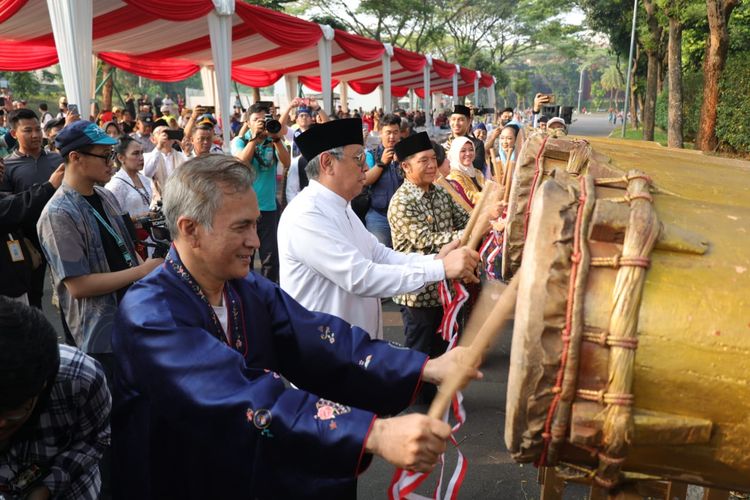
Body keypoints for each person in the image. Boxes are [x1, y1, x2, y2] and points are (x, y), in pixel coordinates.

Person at [111, 153, 480, 499]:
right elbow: (237, 395)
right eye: (241, 227)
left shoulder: (247, 288)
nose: (255, 242)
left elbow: (323, 340)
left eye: (255, 224)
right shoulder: (150, 313)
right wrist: (374, 433)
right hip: (182, 479)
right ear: (190, 229)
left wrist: (425, 367)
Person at [278, 118, 479, 339]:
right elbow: (360, 276)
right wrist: (440, 269)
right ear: (327, 163)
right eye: (358, 158)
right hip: (326, 348)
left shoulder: (341, 207)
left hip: (355, 347)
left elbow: (379, 255)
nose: (366, 167)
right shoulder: (307, 215)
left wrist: (436, 262)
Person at [37, 121, 162, 375]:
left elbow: (127, 249)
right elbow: (79, 286)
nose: (112, 163)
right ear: (75, 157)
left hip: (133, 319)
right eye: (106, 156)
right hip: (100, 338)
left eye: (113, 155)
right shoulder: (58, 213)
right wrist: (143, 271)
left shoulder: (105, 196)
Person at [388, 132, 475, 401]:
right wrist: (463, 236)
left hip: (444, 289)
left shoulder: (441, 191)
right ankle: (413, 401)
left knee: (442, 344)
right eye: (423, 161)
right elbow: (425, 240)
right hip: (417, 290)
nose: (431, 166)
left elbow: (466, 219)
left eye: (433, 160)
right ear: (405, 166)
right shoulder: (402, 202)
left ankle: (436, 395)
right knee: (419, 348)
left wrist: (482, 220)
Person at [0, 298, 111, 500]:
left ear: (43, 387)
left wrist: (48, 487)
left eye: (12, 415)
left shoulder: (81, 381)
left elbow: (94, 439)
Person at [0, 109, 64, 309]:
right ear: (14, 134)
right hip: (28, 240)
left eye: (38, 129)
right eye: (28, 130)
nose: (35, 135)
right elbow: (11, 207)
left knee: (69, 291)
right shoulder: (7, 166)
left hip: (61, 234)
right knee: (32, 294)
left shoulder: (57, 160)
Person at [231, 103, 290, 283]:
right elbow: (241, 163)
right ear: (247, 123)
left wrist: (277, 139)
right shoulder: (239, 141)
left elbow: (287, 162)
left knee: (271, 258)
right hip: (244, 209)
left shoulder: (273, 140)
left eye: (263, 119)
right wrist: (254, 139)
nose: (261, 123)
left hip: (268, 208)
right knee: (244, 255)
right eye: (256, 120)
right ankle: (245, 292)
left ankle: (268, 294)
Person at [105, 136, 153, 258]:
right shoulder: (116, 185)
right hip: (132, 241)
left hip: (150, 237)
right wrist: (139, 217)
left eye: (142, 153)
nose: (141, 157)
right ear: (121, 158)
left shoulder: (145, 179)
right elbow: (112, 220)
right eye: (136, 154)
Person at [362, 113, 403, 246]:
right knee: (379, 253)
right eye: (388, 132)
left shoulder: (407, 154)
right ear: (380, 133)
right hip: (379, 217)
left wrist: (401, 163)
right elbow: (365, 179)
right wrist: (381, 163)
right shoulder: (371, 154)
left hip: (404, 215)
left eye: (395, 132)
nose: (392, 137)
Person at [442, 105, 485, 172]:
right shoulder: (444, 145)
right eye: (453, 119)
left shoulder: (476, 144)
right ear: (450, 122)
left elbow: (477, 166)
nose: (456, 123)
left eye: (461, 120)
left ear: (468, 122)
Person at [446, 136, 485, 206]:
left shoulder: (477, 172)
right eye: (463, 151)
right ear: (455, 153)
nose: (468, 153)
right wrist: (489, 195)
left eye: (471, 150)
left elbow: (486, 186)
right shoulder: (453, 175)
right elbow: (467, 196)